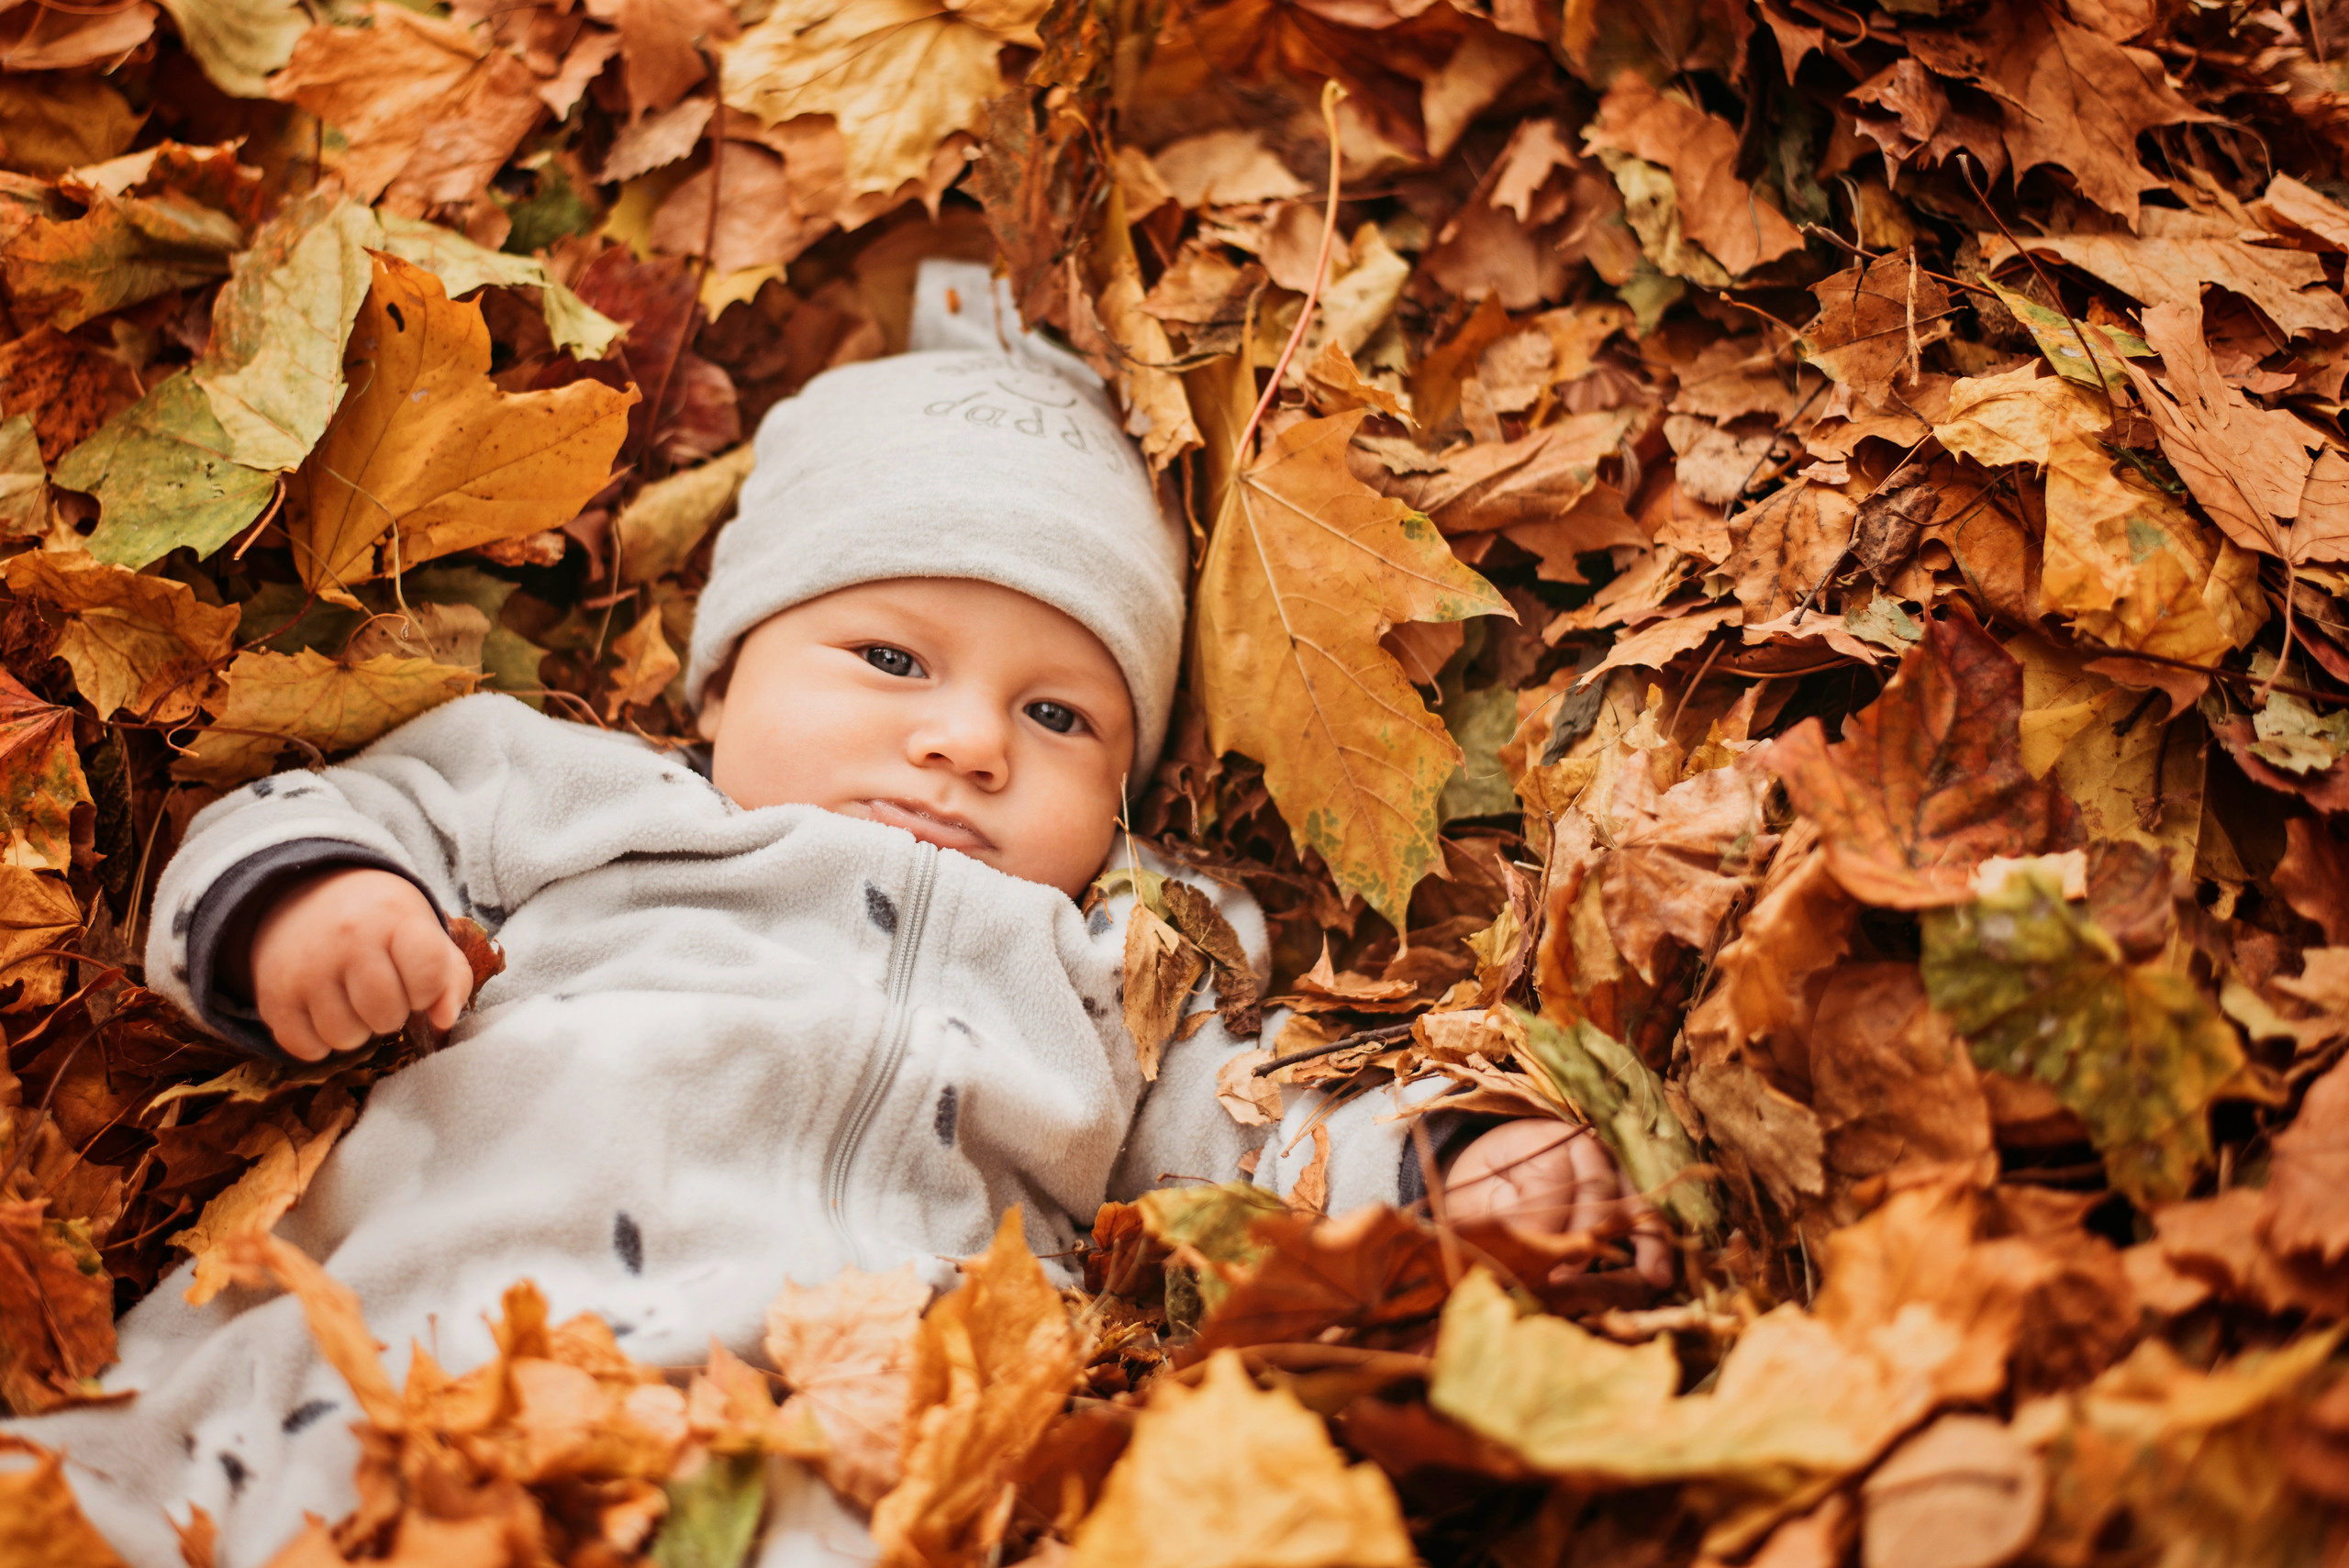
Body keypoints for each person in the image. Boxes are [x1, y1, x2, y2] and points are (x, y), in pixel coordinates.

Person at [8, 261, 1664, 1567]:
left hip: (815, 1440)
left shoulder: (1115, 964)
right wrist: (315, 906)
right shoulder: (596, 795)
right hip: (411, 1329)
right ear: (726, 677)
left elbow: (1251, 1132)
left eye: (1061, 717)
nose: (965, 738)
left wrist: (1437, 1167)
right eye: (890, 659)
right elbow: (334, 810)